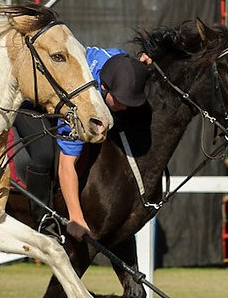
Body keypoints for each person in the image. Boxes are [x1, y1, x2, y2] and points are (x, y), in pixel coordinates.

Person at [14, 48, 150, 240]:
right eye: (121, 100)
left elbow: (129, 66)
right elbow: (67, 165)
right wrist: (76, 218)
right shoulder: (80, 105)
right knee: (43, 154)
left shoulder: (117, 59)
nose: (125, 107)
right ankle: (42, 219)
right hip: (28, 103)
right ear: (104, 88)